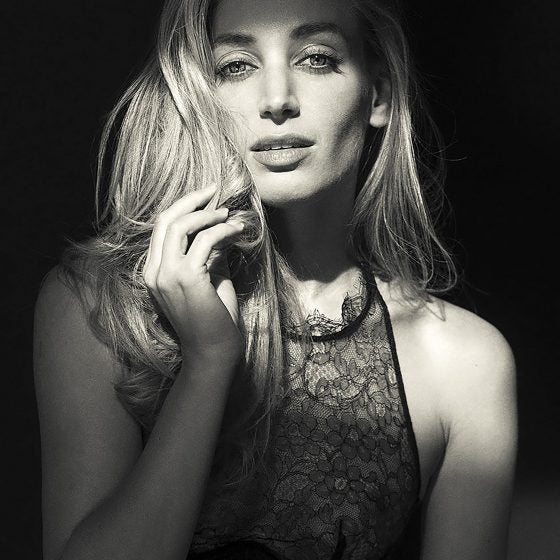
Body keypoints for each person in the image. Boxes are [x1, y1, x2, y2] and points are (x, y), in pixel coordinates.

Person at [33, 0, 517, 559]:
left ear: (379, 95)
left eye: (316, 58)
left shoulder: (463, 364)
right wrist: (208, 365)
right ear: (198, 94)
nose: (277, 99)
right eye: (236, 66)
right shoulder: (99, 306)